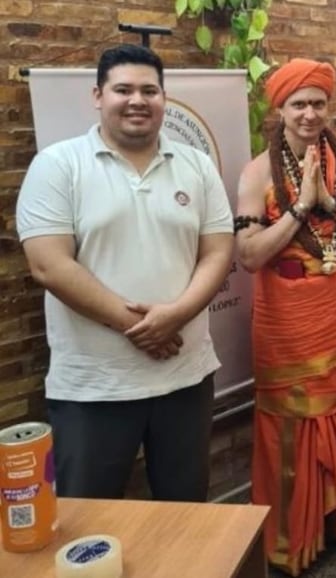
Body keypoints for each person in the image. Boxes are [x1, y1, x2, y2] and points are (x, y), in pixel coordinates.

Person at [15, 44, 234, 501]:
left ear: (164, 99)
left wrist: (174, 316)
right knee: (87, 522)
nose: (138, 100)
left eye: (149, 90)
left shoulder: (196, 165)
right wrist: (143, 325)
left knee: (187, 513)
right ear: (98, 95)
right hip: (94, 386)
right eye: (123, 89)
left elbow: (217, 253)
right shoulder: (58, 165)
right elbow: (48, 265)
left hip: (185, 377)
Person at [235, 58, 336, 576]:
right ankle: (288, 540)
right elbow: (251, 256)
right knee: (287, 434)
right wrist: (301, 210)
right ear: (280, 108)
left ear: (329, 107)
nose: (309, 113)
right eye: (299, 103)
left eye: (318, 103)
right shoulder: (257, 171)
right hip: (285, 326)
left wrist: (329, 202)